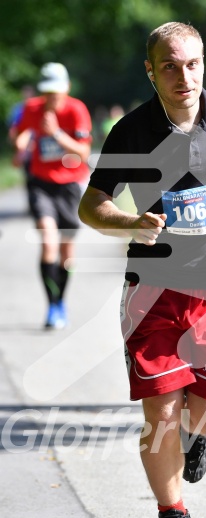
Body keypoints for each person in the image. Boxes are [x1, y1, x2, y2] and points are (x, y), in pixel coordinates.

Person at [78, 22, 206, 518]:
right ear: (151, 70)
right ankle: (173, 516)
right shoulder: (132, 132)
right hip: (153, 289)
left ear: (203, 63)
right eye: (169, 65)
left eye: (191, 64)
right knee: (159, 414)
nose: (182, 75)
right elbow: (91, 205)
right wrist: (128, 223)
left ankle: (198, 434)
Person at [15, 63, 92, 329]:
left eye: (56, 93)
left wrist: (56, 133)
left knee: (66, 252)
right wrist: (20, 142)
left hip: (69, 185)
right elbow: (20, 133)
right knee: (48, 241)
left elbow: (83, 153)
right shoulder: (32, 108)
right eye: (47, 92)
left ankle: (61, 301)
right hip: (41, 183)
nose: (51, 98)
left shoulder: (75, 110)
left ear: (66, 89)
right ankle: (52, 306)